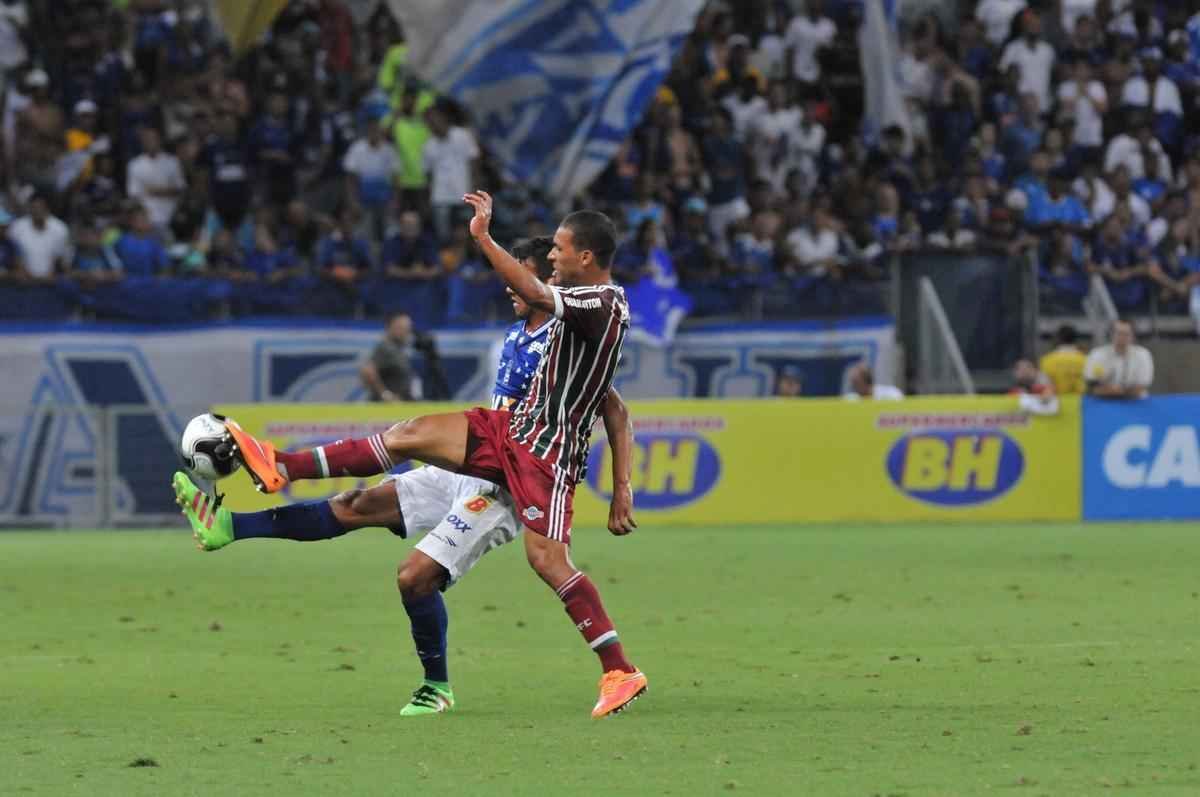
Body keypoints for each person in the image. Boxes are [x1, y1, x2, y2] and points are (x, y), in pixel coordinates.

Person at [207, 199, 646, 718]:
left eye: (559, 248)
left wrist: (482, 238)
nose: (552, 255)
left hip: (543, 456)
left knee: (546, 560)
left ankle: (619, 669)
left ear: (588, 256)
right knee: (410, 433)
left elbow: (610, 404)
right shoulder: (557, 312)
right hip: (510, 429)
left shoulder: (603, 303)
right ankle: (280, 464)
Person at [1084, 320, 1154, 399]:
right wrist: (1112, 391)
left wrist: (1115, 391)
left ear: (1133, 336)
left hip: (1135, 402)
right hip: (1103, 402)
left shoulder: (1143, 354)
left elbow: (1142, 386)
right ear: (1111, 334)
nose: (1122, 337)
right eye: (1119, 333)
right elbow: (1092, 385)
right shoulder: (1097, 354)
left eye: (1126, 334)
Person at [361, 313, 418, 402]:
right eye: (400, 328)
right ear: (389, 328)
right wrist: (385, 395)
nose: (405, 331)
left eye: (408, 328)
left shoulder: (399, 348)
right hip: (385, 408)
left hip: (401, 404)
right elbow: (367, 371)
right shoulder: (385, 347)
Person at [1039, 324, 1087, 395]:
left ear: (1058, 339)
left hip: (1058, 403)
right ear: (1075, 339)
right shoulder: (1085, 359)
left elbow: (1045, 386)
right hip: (1081, 403)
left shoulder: (1047, 360)